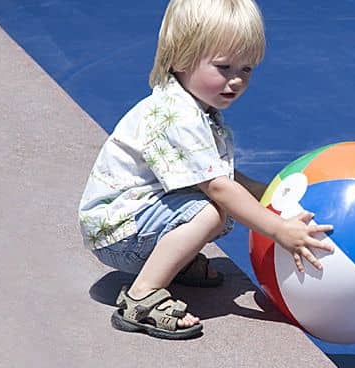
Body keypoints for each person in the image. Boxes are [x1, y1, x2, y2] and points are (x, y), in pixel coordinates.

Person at [78, 0, 333, 340]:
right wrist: (278, 229)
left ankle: (172, 260)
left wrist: (270, 191)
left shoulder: (195, 107)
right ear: (182, 57)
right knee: (213, 211)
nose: (236, 80)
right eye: (224, 67)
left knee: (218, 205)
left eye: (247, 69)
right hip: (117, 233)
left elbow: (218, 175)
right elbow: (218, 187)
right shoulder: (179, 117)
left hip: (129, 219)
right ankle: (141, 297)